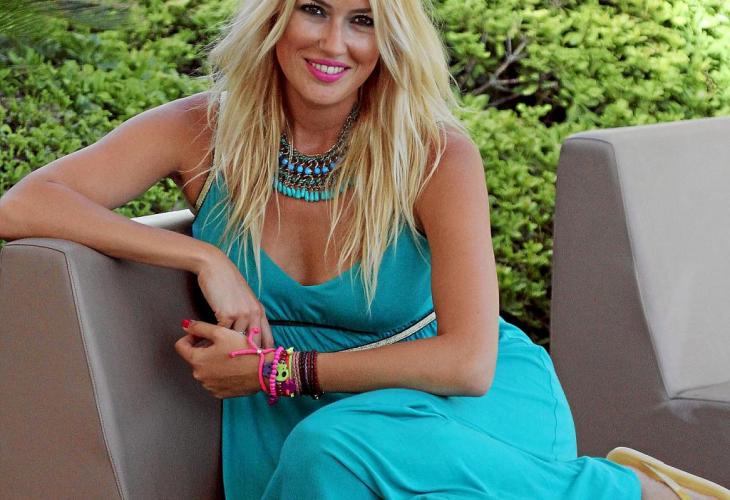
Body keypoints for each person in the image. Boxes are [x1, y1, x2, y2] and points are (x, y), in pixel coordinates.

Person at [0, 1, 728, 498]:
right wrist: (204, 258)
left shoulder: (434, 155)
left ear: (391, 39)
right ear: (275, 18)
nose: (333, 43)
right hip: (289, 414)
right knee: (326, 449)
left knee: (332, 449)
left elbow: (469, 363)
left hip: (453, 406)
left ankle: (628, 492)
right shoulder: (203, 132)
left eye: (364, 20)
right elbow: (25, 203)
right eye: (313, 9)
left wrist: (280, 370)